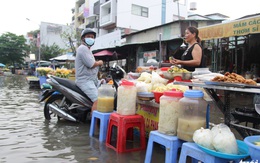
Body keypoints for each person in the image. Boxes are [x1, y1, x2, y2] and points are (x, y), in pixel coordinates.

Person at [75, 28, 104, 112]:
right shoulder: (82, 48)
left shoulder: (87, 50)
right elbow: (91, 64)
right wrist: (99, 62)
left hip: (91, 80)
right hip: (84, 81)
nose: (90, 38)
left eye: (92, 37)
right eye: (88, 36)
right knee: (98, 100)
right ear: (83, 38)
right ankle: (94, 124)